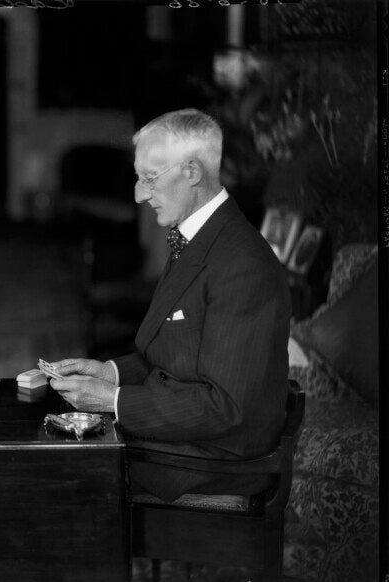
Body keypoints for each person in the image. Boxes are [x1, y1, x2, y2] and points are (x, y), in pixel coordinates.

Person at [50, 109, 291, 501]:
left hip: (215, 462)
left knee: (60, 470)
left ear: (192, 171)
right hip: (188, 442)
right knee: (54, 439)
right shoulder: (201, 237)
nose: (139, 195)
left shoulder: (241, 263)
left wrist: (113, 400)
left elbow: (225, 407)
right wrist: (111, 373)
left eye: (150, 178)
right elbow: (175, 356)